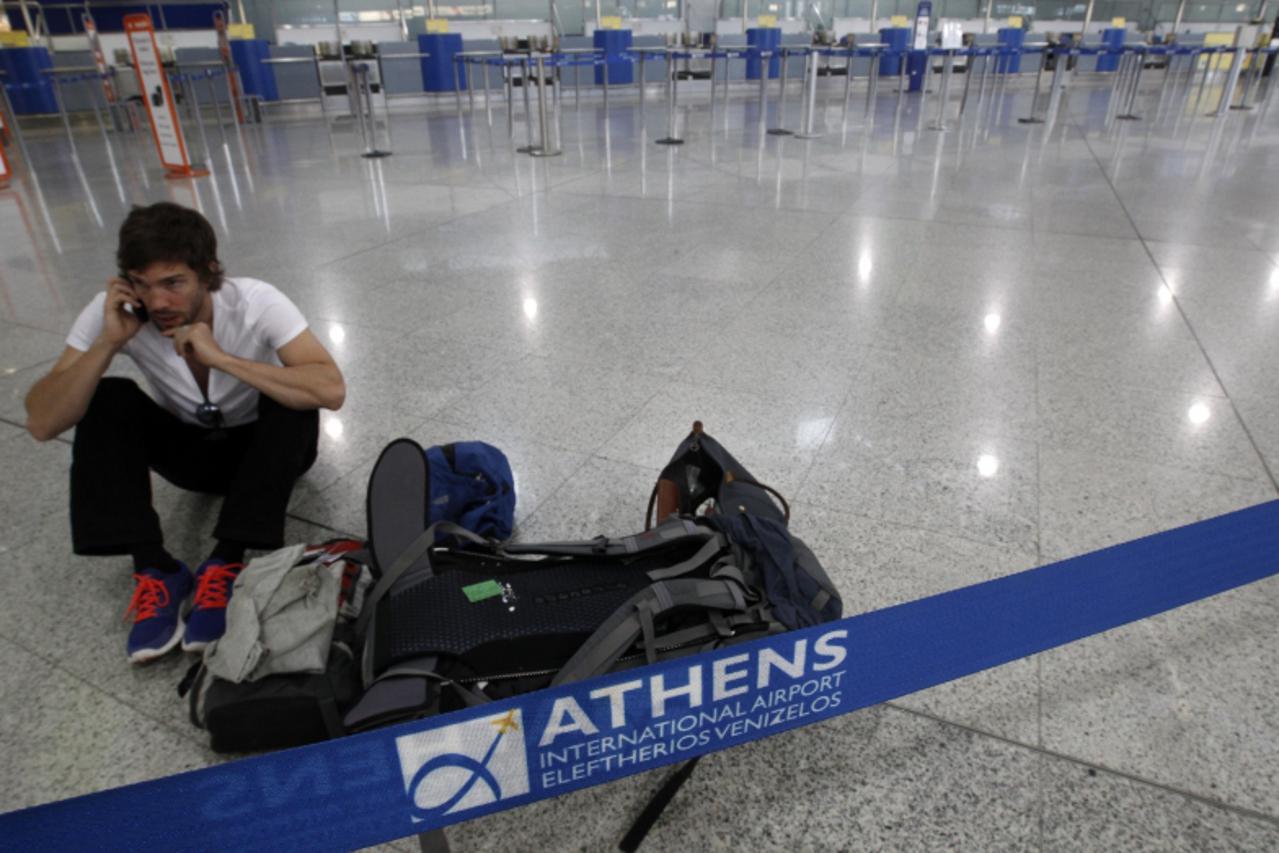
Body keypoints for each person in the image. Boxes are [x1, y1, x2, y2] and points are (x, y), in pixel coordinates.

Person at [25, 202, 346, 664]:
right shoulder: (114, 314)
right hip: (193, 454)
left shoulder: (255, 301)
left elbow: (331, 389)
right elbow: (42, 421)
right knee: (105, 396)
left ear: (208, 273)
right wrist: (108, 342)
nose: (157, 302)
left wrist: (224, 359)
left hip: (268, 452)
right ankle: (155, 567)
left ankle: (227, 558)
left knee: (290, 393)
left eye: (173, 283)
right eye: (142, 283)